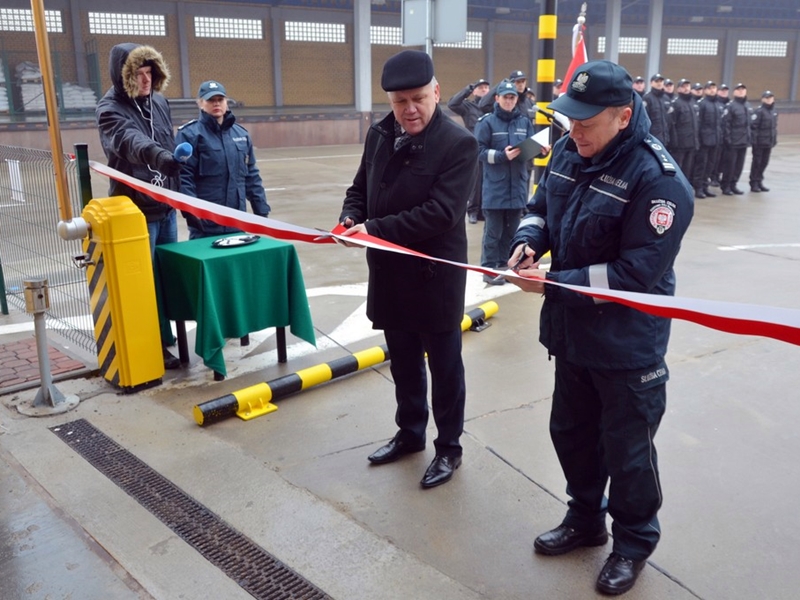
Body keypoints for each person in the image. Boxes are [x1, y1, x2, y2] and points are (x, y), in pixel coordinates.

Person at [508, 60, 693, 596]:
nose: (576, 131)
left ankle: (633, 544)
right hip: (573, 336)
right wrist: (528, 241)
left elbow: (635, 274)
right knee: (571, 434)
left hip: (627, 345)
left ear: (623, 115)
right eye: (571, 119)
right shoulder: (569, 149)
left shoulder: (659, 183)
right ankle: (585, 518)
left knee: (628, 452)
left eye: (587, 122)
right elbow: (541, 206)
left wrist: (553, 282)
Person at [338, 50, 478, 489]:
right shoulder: (380, 135)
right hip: (390, 272)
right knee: (402, 361)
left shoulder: (459, 144)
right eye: (400, 102)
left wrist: (372, 228)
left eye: (418, 98)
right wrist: (349, 218)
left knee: (445, 367)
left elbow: (440, 213)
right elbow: (360, 186)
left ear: (436, 92)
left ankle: (449, 447)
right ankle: (411, 433)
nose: (410, 110)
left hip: (433, 277)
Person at [96, 43, 183, 370]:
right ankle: (149, 346)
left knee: (168, 277)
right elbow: (129, 140)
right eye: (138, 74)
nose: (146, 80)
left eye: (150, 73)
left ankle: (169, 337)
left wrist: (178, 193)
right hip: (136, 213)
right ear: (123, 75)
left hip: (166, 206)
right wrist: (158, 156)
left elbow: (169, 144)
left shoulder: (159, 102)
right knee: (141, 284)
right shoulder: (109, 109)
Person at [175, 80, 270, 239]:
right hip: (205, 225)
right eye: (210, 100)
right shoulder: (189, 135)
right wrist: (191, 212)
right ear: (200, 104)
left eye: (220, 99)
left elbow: (251, 175)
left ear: (226, 102)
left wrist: (261, 209)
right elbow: (184, 177)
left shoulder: (241, 135)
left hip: (238, 221)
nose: (216, 103)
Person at [474, 81, 534, 285]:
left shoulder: (524, 122)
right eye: (505, 97)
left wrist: (541, 149)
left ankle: (505, 268)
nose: (509, 101)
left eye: (512, 97)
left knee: (512, 232)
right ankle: (489, 270)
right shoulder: (487, 122)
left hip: (517, 187)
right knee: (493, 233)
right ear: (497, 98)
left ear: (516, 99)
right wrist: (501, 156)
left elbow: (531, 145)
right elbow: (478, 151)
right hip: (495, 188)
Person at [447, 78, 491, 223]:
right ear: (475, 91)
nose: (484, 90)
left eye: (486, 88)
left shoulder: (491, 107)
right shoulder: (468, 107)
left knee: (486, 180)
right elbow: (452, 103)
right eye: (481, 88)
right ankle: (472, 210)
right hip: (473, 148)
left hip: (487, 147)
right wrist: (468, 89)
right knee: (475, 181)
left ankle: (482, 212)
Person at [719, 83, 751, 196]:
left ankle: (733, 184)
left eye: (743, 89)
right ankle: (726, 185)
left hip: (743, 141)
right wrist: (728, 139)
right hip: (733, 141)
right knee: (730, 165)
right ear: (734, 92)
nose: (741, 91)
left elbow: (748, 124)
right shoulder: (731, 106)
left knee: (739, 166)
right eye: (738, 89)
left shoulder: (747, 105)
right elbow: (726, 124)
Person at [692, 81, 722, 198]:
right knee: (701, 165)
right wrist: (698, 140)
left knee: (710, 165)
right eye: (709, 88)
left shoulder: (717, 104)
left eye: (714, 88)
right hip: (704, 140)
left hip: (715, 140)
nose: (712, 90)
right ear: (705, 90)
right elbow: (698, 124)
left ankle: (705, 186)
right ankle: (698, 188)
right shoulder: (702, 104)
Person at [669, 79, 699, 179]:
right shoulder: (676, 103)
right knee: (677, 169)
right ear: (679, 89)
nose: (686, 88)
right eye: (683, 86)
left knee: (688, 169)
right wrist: (674, 142)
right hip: (680, 145)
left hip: (691, 143)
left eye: (688, 86)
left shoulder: (693, 102)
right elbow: (672, 124)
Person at [749, 90, 778, 192]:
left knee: (764, 163)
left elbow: (774, 127)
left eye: (770, 97)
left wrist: (774, 139)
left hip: (768, 142)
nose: (769, 99)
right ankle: (754, 183)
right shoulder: (759, 111)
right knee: (757, 162)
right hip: (759, 142)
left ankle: (759, 180)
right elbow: (754, 127)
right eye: (767, 98)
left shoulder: (774, 111)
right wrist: (755, 141)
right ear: (763, 99)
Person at [642, 73, 671, 146]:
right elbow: (644, 119)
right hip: (653, 137)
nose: (659, 83)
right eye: (656, 81)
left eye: (661, 81)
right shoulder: (647, 98)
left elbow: (669, 119)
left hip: (665, 137)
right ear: (651, 83)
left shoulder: (666, 98)